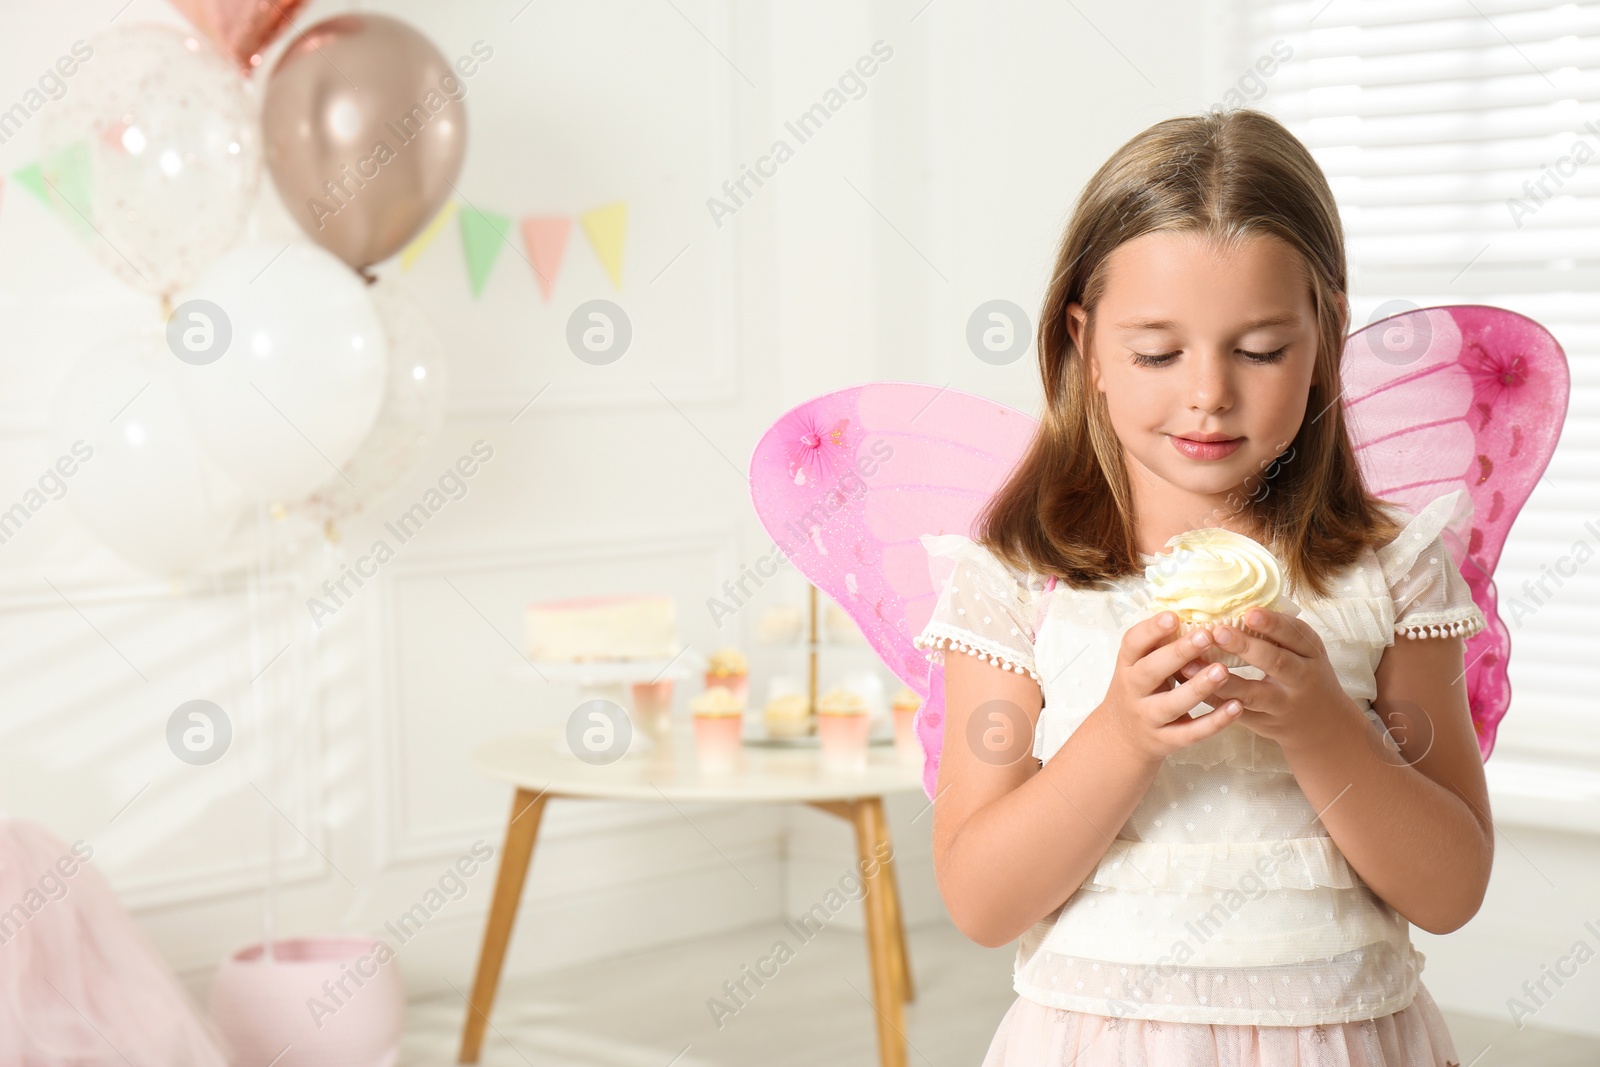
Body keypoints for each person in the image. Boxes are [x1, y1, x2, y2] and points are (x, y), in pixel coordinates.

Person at [914, 108, 1486, 1066]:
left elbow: (1451, 888)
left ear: (1325, 339)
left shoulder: (1391, 572)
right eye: (1156, 353)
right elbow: (982, 900)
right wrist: (1121, 736)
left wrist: (1321, 726)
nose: (1210, 392)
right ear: (1086, 345)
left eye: (1261, 349)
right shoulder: (1022, 583)